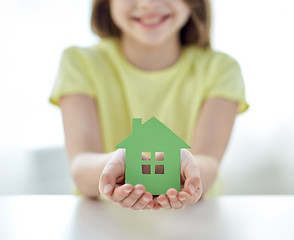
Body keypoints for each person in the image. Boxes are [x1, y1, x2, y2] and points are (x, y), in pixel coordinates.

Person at [49, 0, 249, 210]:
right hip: (102, 224)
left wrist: (181, 168)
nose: (148, 4)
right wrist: (121, 165)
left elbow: (208, 161)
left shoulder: (221, 69)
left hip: (193, 222)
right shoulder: (80, 63)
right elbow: (81, 166)